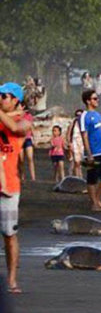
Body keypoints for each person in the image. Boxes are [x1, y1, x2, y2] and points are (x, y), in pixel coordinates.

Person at [0, 82, 33, 294]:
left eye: (5, 96)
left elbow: (15, 129)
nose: (1, 98)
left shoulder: (25, 121)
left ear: (16, 100)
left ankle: (11, 280)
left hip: (9, 185)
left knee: (9, 234)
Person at [17, 105, 34, 182]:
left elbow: (31, 126)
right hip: (19, 139)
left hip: (28, 138)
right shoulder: (16, 116)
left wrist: (33, 136)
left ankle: (33, 177)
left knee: (30, 157)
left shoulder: (28, 116)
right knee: (21, 159)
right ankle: (22, 176)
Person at [66, 109, 84, 178]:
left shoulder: (84, 123)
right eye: (77, 115)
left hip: (82, 144)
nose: (78, 117)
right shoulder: (73, 123)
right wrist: (69, 143)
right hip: (74, 142)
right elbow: (69, 133)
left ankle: (80, 176)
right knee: (76, 161)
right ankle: (77, 177)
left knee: (80, 161)